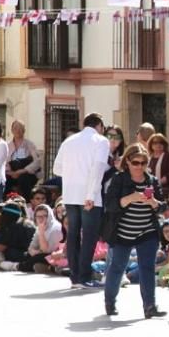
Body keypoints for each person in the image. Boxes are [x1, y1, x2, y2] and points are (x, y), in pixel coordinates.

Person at [102, 144, 167, 318]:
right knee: (117, 267)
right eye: (136, 162)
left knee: (147, 267)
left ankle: (150, 306)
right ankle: (109, 302)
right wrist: (129, 198)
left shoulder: (152, 181)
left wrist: (154, 203)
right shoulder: (119, 180)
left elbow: (163, 206)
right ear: (128, 162)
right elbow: (110, 205)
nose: (139, 166)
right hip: (123, 232)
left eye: (143, 162)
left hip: (147, 231)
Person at [52, 113, 110, 288]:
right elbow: (98, 168)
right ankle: (84, 276)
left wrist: (73, 175)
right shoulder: (101, 141)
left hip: (70, 194)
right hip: (89, 195)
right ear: (99, 125)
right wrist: (91, 195)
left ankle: (75, 276)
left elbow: (57, 168)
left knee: (73, 234)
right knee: (90, 236)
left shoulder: (69, 141)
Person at [5, 120, 42, 197]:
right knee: (4, 180)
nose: (18, 130)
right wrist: (11, 172)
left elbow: (37, 161)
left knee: (23, 178)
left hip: (26, 173)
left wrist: (22, 171)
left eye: (20, 128)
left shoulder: (30, 144)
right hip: (11, 173)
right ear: (12, 130)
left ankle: (27, 201)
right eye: (15, 128)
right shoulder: (7, 145)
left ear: (24, 130)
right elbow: (4, 162)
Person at [147, 134, 169, 201]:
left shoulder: (168, 156)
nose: (158, 145)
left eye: (161, 142)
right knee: (146, 203)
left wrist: (157, 183)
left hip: (164, 190)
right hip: (149, 189)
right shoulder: (148, 158)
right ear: (151, 145)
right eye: (155, 143)